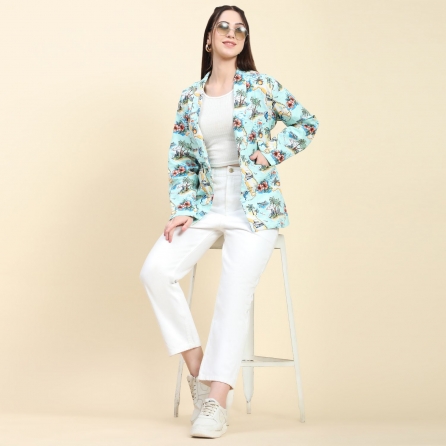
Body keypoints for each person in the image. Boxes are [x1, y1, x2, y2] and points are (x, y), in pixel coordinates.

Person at [139, 5, 319, 439]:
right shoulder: (190, 97)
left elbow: (306, 123)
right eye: (223, 25)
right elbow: (181, 158)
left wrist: (268, 154)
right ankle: (200, 373)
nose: (231, 32)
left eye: (240, 28)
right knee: (155, 271)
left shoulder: (261, 86)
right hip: (205, 202)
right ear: (209, 38)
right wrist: (183, 206)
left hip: (254, 204)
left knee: (233, 295)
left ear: (244, 40)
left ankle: (216, 403)